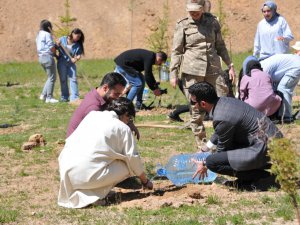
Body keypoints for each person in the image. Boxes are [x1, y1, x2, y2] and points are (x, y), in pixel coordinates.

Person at [58, 97, 153, 208]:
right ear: (126, 114)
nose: (129, 122)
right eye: (130, 119)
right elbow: (133, 158)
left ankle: (92, 191)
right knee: (128, 166)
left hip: (66, 171)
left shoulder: (92, 115)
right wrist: (145, 181)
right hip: (85, 175)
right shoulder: (122, 127)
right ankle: (95, 196)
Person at [189, 82, 283, 189]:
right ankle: (248, 177)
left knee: (213, 162)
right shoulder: (224, 102)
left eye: (193, 102)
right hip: (272, 142)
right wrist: (205, 149)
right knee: (219, 156)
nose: (193, 106)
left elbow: (222, 150)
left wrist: (205, 164)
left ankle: (263, 178)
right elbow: (222, 131)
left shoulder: (221, 117)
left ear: (203, 104)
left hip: (264, 149)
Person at [169, 0, 235, 149]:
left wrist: (229, 64)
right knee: (196, 109)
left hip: (213, 68)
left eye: (197, 11)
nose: (194, 14)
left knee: (223, 102)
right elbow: (177, 51)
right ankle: (202, 145)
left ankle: (225, 140)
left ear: (203, 8)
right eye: (191, 11)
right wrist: (173, 73)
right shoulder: (182, 24)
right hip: (192, 71)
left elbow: (220, 46)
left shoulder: (213, 22)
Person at [66, 72, 126, 137]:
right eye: (116, 94)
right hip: (79, 143)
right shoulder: (94, 108)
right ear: (105, 88)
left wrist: (129, 122)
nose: (118, 97)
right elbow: (96, 134)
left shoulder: (98, 95)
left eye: (120, 94)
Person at [260, 54, 300, 122]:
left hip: (296, 66)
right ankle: (278, 114)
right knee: (276, 89)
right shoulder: (260, 68)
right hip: (292, 64)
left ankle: (286, 116)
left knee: (283, 88)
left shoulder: (263, 70)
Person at [57, 28, 85, 103]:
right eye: (77, 36)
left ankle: (74, 97)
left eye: (79, 37)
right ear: (72, 34)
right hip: (62, 62)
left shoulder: (78, 44)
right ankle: (64, 97)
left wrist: (76, 59)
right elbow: (55, 47)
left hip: (71, 63)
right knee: (63, 80)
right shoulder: (62, 39)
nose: (78, 38)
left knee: (73, 79)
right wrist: (58, 44)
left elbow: (79, 55)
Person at [36, 20, 58, 103]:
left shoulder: (38, 35)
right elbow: (51, 47)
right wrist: (56, 52)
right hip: (47, 57)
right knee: (52, 78)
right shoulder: (47, 34)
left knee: (49, 77)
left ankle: (43, 95)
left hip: (41, 57)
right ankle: (49, 98)